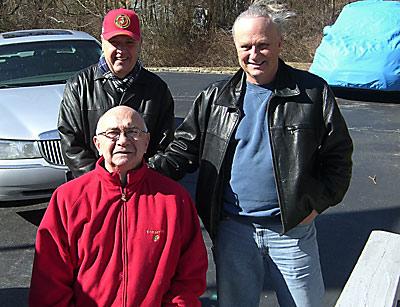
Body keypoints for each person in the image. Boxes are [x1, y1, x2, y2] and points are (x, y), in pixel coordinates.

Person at [149, 1, 353, 306]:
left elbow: (339, 158)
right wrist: (141, 172)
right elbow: (182, 150)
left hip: (292, 231)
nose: (254, 55)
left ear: (280, 43)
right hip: (233, 231)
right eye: (246, 46)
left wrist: (315, 205)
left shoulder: (313, 93)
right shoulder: (215, 97)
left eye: (263, 45)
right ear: (235, 47)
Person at [30, 106, 207, 306]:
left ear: (147, 141)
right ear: (97, 143)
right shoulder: (68, 198)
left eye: (133, 132)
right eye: (113, 133)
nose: (123, 141)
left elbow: (190, 276)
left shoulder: (174, 199)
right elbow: (49, 279)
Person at [58, 8, 175, 179]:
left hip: (143, 189)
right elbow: (71, 144)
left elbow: (164, 145)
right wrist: (104, 180)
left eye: (129, 42)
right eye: (115, 43)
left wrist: (138, 178)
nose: (122, 50)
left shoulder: (157, 89)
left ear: (140, 43)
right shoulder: (78, 87)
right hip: (94, 189)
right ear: (102, 42)